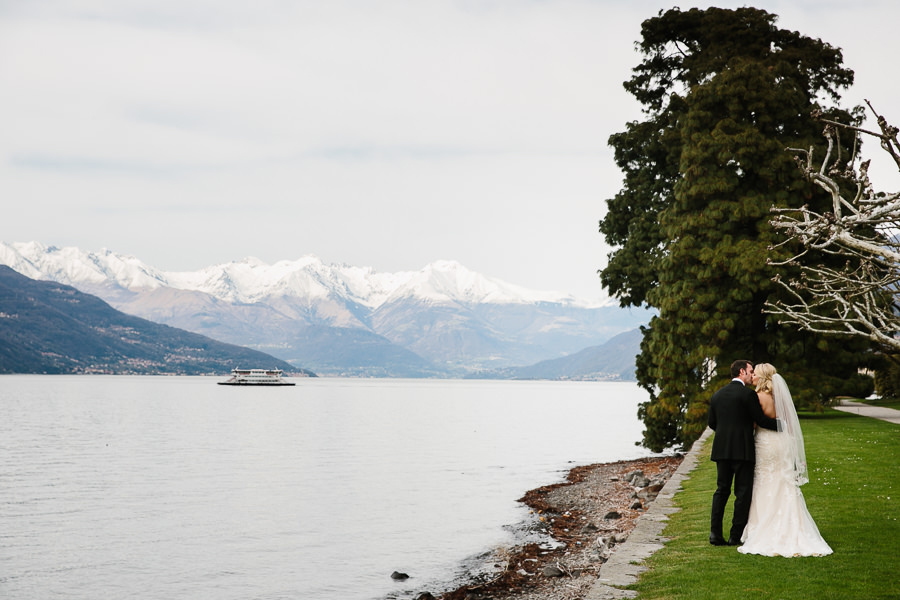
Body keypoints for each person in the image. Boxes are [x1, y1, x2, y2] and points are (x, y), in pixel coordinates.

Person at [738, 363, 833, 556]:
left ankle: (764, 527)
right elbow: (789, 423)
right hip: (782, 443)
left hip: (765, 442)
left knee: (764, 482)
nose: (752, 377)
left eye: (755, 374)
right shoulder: (779, 397)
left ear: (762, 378)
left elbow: (756, 422)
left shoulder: (757, 397)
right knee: (784, 482)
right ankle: (794, 527)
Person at [707, 360, 780, 546]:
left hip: (722, 451)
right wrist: (783, 425)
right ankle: (734, 536)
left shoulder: (717, 395)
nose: (751, 374)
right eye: (750, 371)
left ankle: (715, 534)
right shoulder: (748, 395)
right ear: (741, 372)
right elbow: (761, 420)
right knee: (742, 493)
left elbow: (712, 424)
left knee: (721, 491)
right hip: (743, 451)